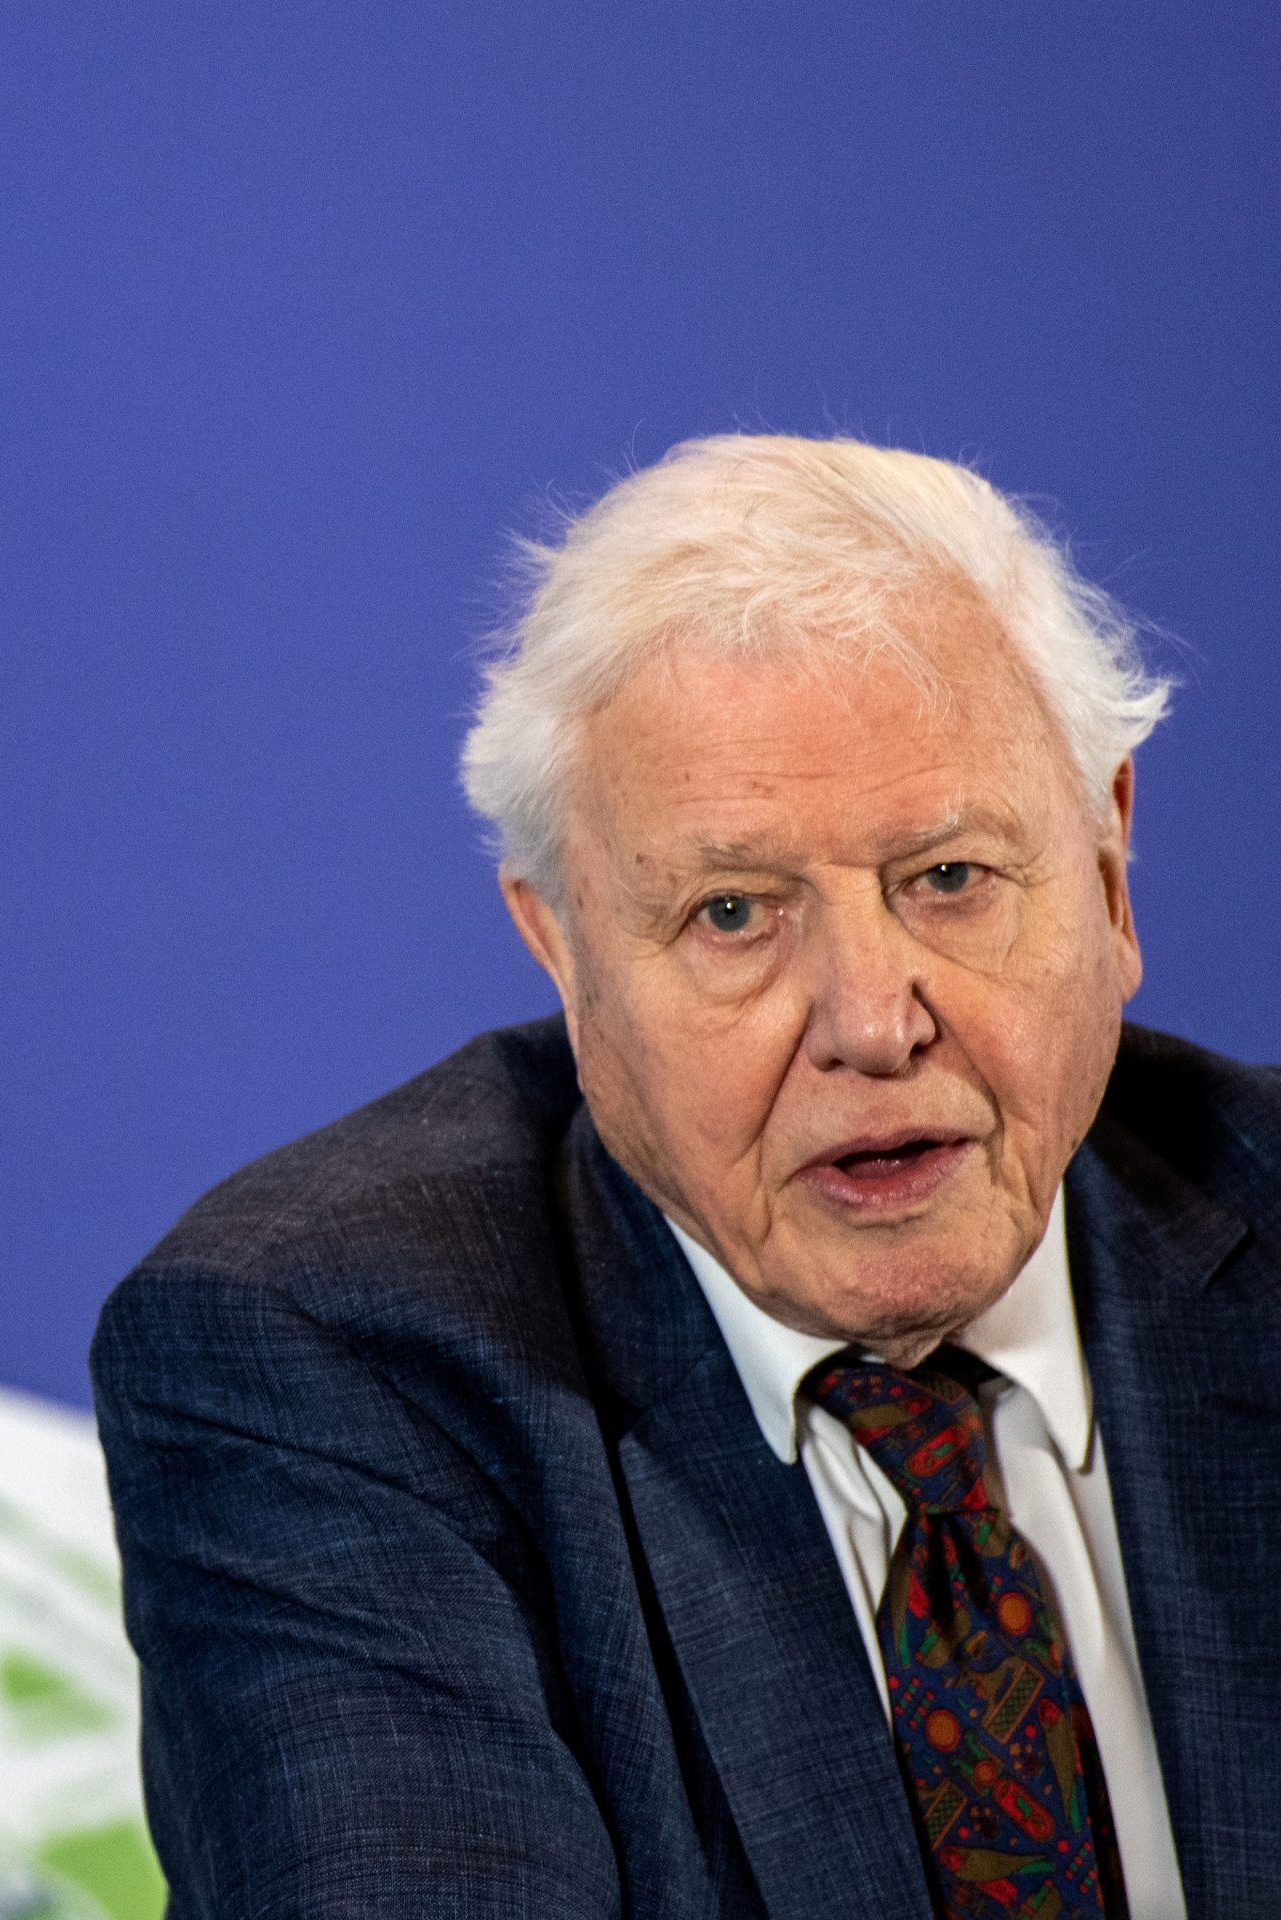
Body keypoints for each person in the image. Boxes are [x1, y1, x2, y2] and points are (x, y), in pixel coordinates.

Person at [91, 436, 1281, 1920]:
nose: (872, 1020)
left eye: (952, 879)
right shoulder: (338, 1363)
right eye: (733, 913)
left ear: (1107, 872)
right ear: (564, 952)